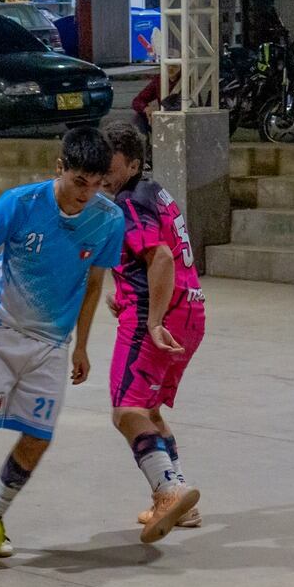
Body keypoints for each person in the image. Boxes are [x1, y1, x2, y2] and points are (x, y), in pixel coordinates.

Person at [0, 127, 122, 565]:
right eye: (79, 182)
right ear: (60, 168)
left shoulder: (108, 220)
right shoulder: (20, 204)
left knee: (36, 439)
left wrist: (82, 347)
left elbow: (94, 286)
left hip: (51, 345)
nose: (87, 194)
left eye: (97, 184)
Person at [101, 127, 204, 543]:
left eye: (110, 162)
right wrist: (125, 289)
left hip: (158, 316)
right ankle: (184, 505)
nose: (103, 171)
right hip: (191, 311)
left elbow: (159, 256)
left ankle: (168, 492)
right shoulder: (154, 192)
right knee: (151, 409)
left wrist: (152, 319)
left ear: (131, 163)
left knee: (127, 411)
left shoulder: (130, 201)